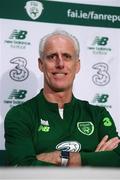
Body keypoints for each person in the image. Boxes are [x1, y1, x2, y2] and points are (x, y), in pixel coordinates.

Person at [4, 30, 120, 167]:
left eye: (67, 56)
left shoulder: (97, 114)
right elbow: (22, 168)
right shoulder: (20, 115)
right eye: (52, 57)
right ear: (41, 64)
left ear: (77, 65)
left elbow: (117, 158)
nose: (60, 63)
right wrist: (95, 159)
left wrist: (63, 158)